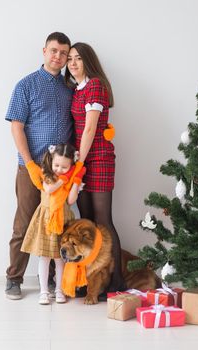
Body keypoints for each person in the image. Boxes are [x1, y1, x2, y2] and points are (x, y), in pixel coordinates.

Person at [4, 32, 73, 300]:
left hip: (62, 172)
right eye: (54, 51)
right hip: (32, 168)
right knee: (24, 224)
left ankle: (55, 280)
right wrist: (31, 165)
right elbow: (16, 126)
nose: (58, 56)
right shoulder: (26, 86)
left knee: (59, 223)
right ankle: (13, 278)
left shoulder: (70, 88)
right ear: (44, 51)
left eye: (63, 53)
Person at [64, 42, 126, 292]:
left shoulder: (95, 86)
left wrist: (80, 163)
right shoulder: (77, 89)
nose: (73, 63)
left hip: (97, 159)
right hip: (81, 161)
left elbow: (90, 129)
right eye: (70, 59)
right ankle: (90, 281)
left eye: (78, 58)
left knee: (103, 220)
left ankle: (117, 280)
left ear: (88, 61)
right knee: (86, 222)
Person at [21, 144, 85, 305]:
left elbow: (71, 200)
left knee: (60, 259)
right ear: (51, 162)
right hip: (46, 219)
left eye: (65, 167)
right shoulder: (46, 174)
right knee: (45, 257)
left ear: (71, 166)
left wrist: (76, 180)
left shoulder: (69, 180)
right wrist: (65, 178)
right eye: (57, 165)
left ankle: (59, 290)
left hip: (64, 220)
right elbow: (49, 190)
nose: (59, 169)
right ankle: (44, 291)